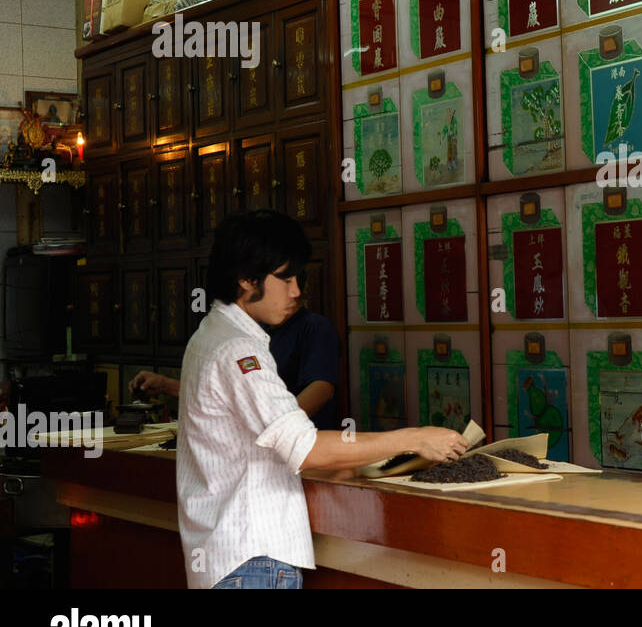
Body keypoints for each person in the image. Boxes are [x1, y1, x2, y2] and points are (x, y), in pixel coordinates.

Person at [174, 209, 466, 589]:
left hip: (233, 558)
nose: (296, 290)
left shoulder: (212, 334)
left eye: (299, 277)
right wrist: (415, 437)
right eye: (285, 278)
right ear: (246, 278)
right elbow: (305, 448)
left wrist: (351, 462)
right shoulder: (238, 350)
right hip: (252, 560)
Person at [131, 302, 340, 430]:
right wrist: (166, 386)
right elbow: (222, 394)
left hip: (299, 442)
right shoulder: (247, 332)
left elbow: (321, 389)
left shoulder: (315, 327)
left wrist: (278, 427)